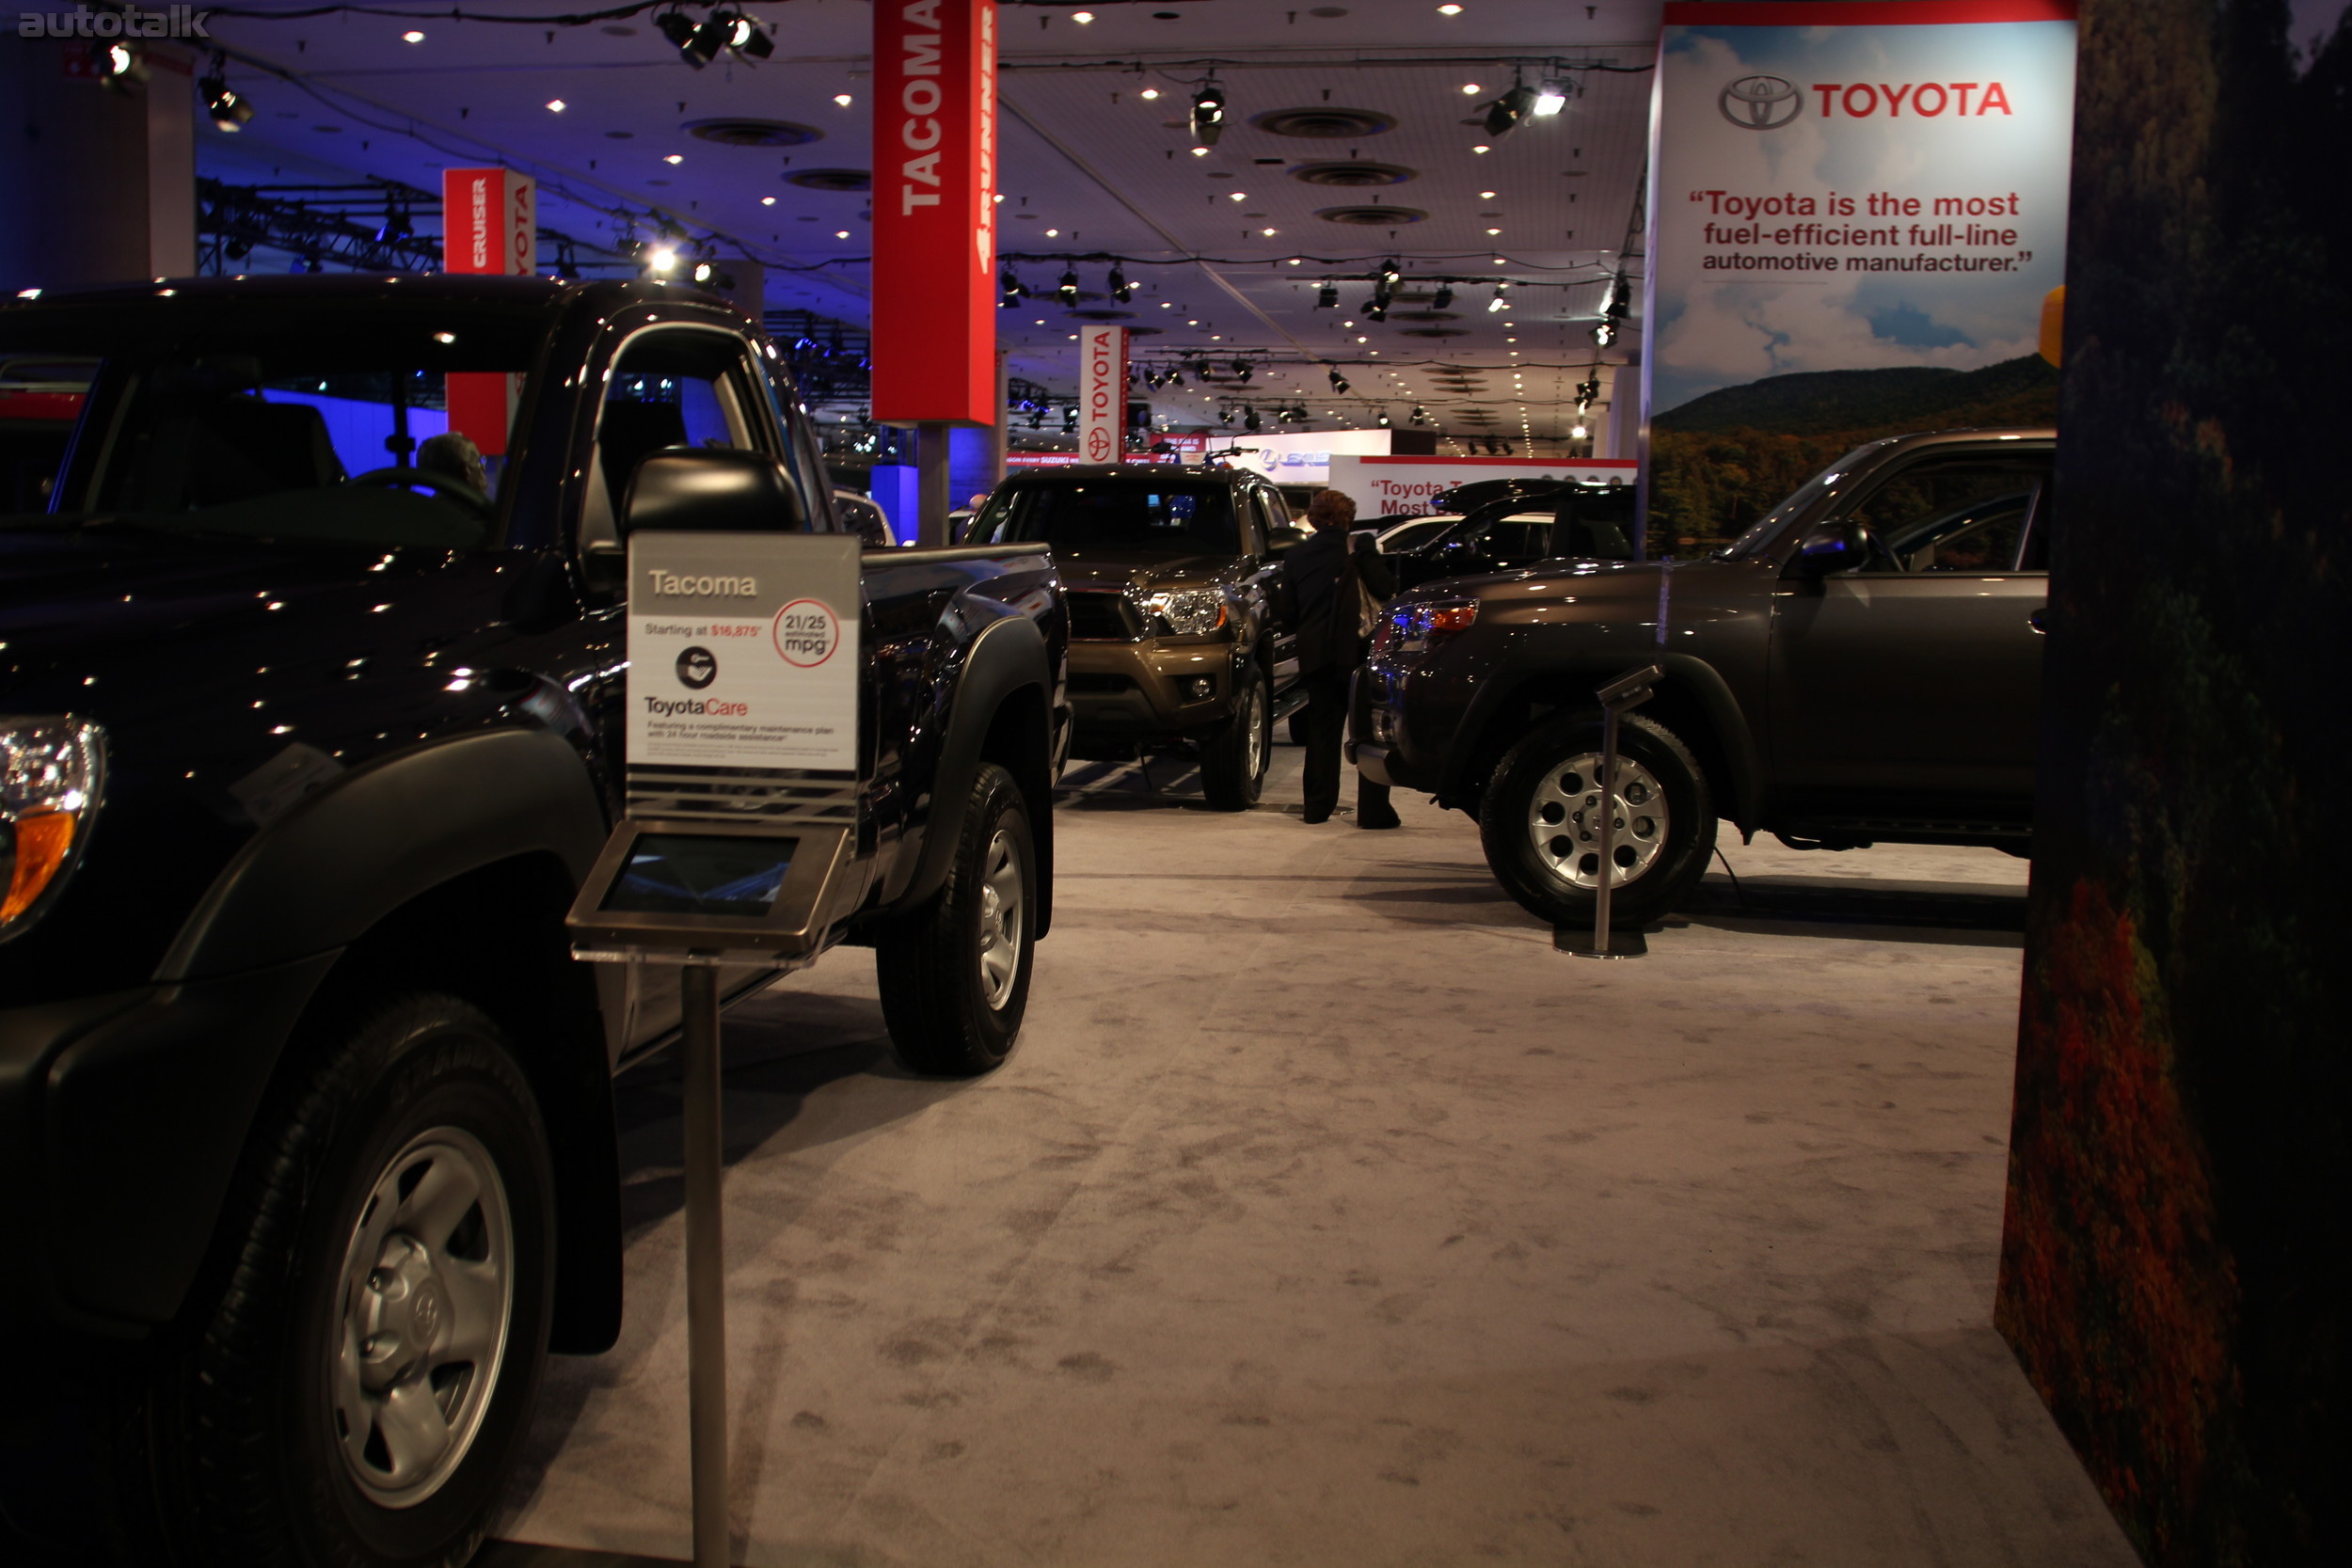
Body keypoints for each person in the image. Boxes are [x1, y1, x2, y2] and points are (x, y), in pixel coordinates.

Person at [1276, 488, 1400, 828]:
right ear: (1349, 519)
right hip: (1358, 655)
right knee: (1369, 733)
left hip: (1317, 656)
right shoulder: (1358, 549)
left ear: (1313, 518)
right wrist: (1367, 554)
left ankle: (1317, 808)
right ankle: (1374, 813)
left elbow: (1288, 612)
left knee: (1321, 733)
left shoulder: (1297, 556)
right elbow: (1386, 589)